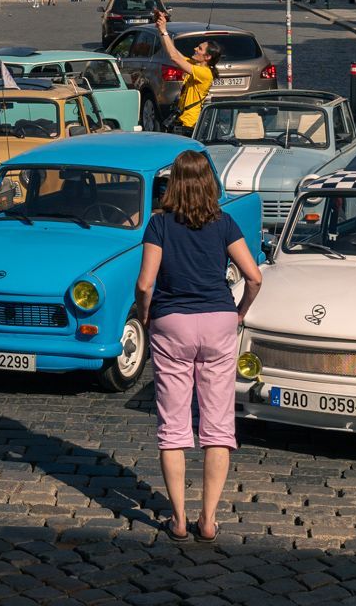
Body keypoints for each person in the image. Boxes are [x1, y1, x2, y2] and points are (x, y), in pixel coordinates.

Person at [132, 151, 262, 543]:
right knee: (218, 426)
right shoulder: (224, 223)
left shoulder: (159, 225)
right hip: (219, 320)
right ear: (211, 183)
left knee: (173, 427)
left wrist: (145, 317)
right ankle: (208, 520)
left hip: (173, 322)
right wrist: (239, 311)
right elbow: (253, 277)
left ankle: (178, 520)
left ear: (173, 184)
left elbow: (144, 285)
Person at [154, 13, 217, 135]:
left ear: (207, 57)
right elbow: (173, 53)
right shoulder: (195, 65)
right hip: (182, 120)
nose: (195, 49)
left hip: (189, 125)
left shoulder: (205, 73)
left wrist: (164, 31)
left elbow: (174, 58)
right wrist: (161, 29)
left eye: (199, 49)